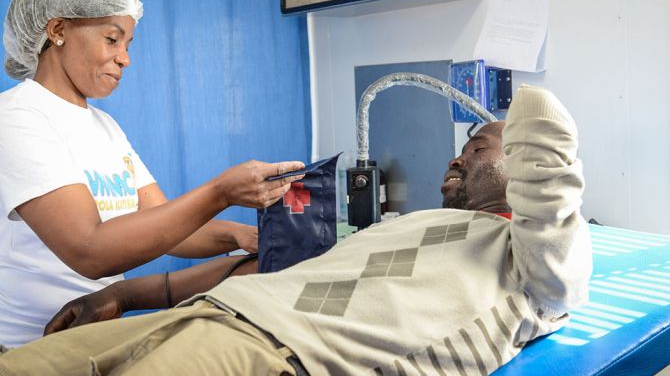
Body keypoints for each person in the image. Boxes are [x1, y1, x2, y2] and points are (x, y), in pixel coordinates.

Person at [0, 85, 592, 375]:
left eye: (477, 148)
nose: (456, 159)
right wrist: (123, 294)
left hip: (275, 353)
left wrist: (510, 124)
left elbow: (548, 161)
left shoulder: (542, 257)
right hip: (215, 310)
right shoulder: (410, 225)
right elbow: (277, 269)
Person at [0, 0, 305, 347]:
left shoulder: (104, 127)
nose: (125, 58)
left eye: (128, 44)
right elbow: (88, 252)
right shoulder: (15, 119)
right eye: (112, 39)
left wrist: (245, 236)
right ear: (57, 30)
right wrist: (221, 192)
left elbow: (164, 227)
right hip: (34, 347)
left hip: (98, 337)